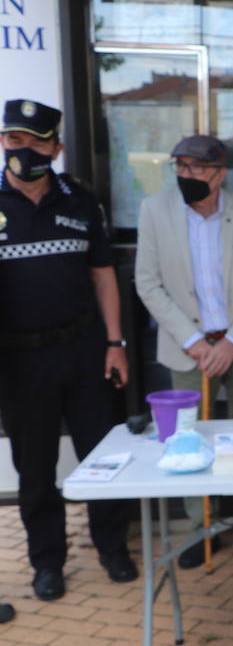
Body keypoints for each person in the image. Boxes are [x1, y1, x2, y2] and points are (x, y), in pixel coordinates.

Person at [0, 99, 135, 601]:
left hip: (84, 350)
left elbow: (103, 275)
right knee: (34, 469)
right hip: (19, 361)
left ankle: (112, 547)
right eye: (14, 139)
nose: (23, 151)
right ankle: (47, 562)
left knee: (102, 456)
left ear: (55, 148)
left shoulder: (80, 201)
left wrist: (116, 343)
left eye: (35, 142)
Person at [134, 134, 233, 567]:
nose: (187, 175)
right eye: (180, 167)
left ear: (221, 174)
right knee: (189, 440)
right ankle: (202, 529)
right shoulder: (154, 210)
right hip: (187, 348)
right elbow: (148, 283)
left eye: (197, 168)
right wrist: (194, 342)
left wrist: (232, 342)